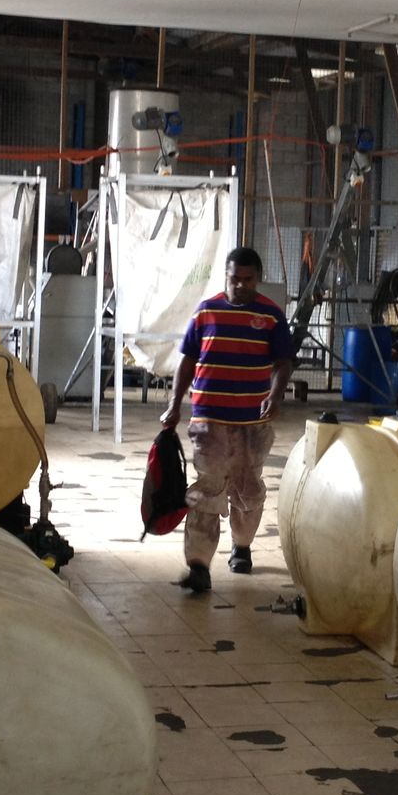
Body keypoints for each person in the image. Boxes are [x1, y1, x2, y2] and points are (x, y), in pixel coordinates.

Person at [159, 246, 296, 594]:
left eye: (247, 280)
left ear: (258, 279)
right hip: (209, 420)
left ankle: (242, 545)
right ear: (226, 276)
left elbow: (283, 363)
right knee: (207, 490)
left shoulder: (271, 316)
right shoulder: (206, 312)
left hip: (253, 424)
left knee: (247, 490)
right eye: (234, 279)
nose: (239, 285)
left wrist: (275, 395)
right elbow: (188, 362)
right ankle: (199, 565)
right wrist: (175, 405)